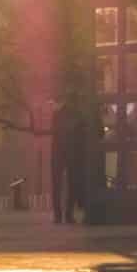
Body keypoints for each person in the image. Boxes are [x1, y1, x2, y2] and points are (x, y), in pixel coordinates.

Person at [49, 96, 87, 225]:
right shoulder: (78, 115)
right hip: (72, 153)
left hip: (58, 152)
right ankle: (68, 214)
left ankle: (58, 215)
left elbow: (55, 133)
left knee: (57, 184)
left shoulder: (57, 115)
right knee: (72, 184)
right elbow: (82, 136)